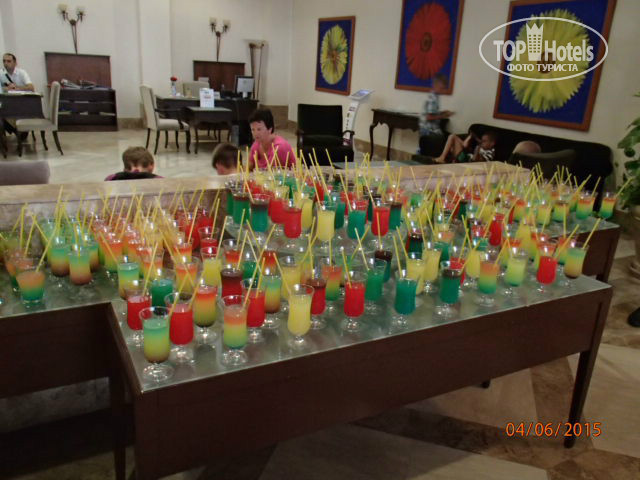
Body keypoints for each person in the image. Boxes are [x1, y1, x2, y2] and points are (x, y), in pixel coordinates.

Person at [418, 73, 453, 157]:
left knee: (450, 137)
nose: (443, 90)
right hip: (429, 131)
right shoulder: (433, 98)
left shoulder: (435, 97)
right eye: (442, 88)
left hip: (432, 130)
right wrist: (443, 116)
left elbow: (432, 113)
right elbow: (429, 117)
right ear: (435, 85)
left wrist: (442, 112)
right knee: (448, 139)